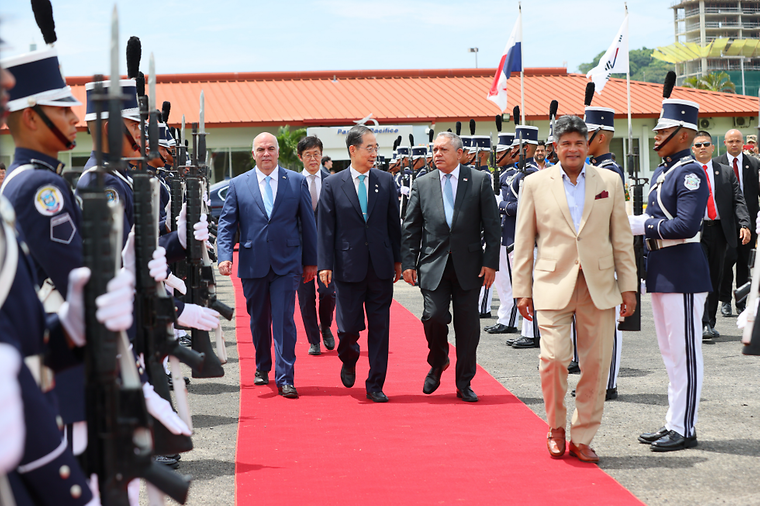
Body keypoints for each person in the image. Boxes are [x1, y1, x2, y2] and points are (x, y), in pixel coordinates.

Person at [513, 115, 637, 463]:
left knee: (597, 365)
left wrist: (629, 287)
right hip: (553, 283)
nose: (572, 149)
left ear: (588, 146)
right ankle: (555, 425)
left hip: (598, 285)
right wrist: (521, 289)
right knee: (553, 359)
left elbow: (622, 240)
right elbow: (523, 242)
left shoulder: (609, 182)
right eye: (565, 143)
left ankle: (583, 435)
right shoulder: (535, 184)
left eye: (578, 143)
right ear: (554, 147)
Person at [631, 98, 711, 452]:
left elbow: (686, 224)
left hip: (683, 269)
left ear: (683, 134)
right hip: (663, 267)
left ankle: (685, 427)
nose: (656, 135)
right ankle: (674, 421)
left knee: (685, 353)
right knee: (669, 351)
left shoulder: (690, 172)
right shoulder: (663, 171)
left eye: (663, 130)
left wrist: (639, 224)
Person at [217, 132, 318, 399]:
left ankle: (286, 377)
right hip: (253, 263)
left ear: (277, 153)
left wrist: (311, 262)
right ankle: (263, 366)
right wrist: (224, 255)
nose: (266, 153)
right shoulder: (238, 184)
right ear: (253, 154)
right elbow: (227, 225)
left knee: (284, 320)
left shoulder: (295, 182)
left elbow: (308, 225)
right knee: (259, 320)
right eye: (260, 149)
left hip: (287, 264)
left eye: (270, 148)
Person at [401, 132, 500, 402]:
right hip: (433, 264)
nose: (437, 154)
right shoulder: (423, 184)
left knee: (468, 328)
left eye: (443, 149)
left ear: (460, 153)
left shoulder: (479, 181)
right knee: (433, 317)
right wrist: (408, 262)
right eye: (435, 149)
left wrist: (491, 262)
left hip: (470, 267)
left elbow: (492, 226)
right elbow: (411, 228)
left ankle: (464, 382)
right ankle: (438, 359)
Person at [317, 125, 402, 403]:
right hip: (347, 266)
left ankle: (375, 383)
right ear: (352, 150)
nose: (374, 153)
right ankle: (349, 356)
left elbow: (393, 225)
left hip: (380, 266)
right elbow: (326, 228)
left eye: (376, 147)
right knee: (348, 328)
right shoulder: (332, 183)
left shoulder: (386, 181)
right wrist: (324, 264)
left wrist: (399, 260)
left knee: (381, 327)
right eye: (369, 147)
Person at [582, 105, 626, 399]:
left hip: (606, 255)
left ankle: (607, 382)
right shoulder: (591, 170)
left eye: (585, 135)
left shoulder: (610, 172)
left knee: (608, 321)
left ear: (599, 136)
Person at [691, 131, 750, 339]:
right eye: (698, 145)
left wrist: (744, 224)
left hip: (719, 230)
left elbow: (738, 199)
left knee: (715, 277)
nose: (703, 148)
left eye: (706, 144)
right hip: (695, 232)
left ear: (713, 147)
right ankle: (702, 322)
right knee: (701, 276)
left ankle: (710, 322)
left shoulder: (725, 172)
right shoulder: (686, 172)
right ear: (693, 149)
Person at [295, 136, 336, 356]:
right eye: (308, 155)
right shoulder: (292, 182)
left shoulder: (332, 181)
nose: (313, 159)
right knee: (305, 298)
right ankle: (313, 339)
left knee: (328, 293)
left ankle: (326, 326)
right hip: (300, 250)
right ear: (301, 157)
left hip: (327, 250)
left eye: (317, 154)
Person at [502, 125, 542, 349]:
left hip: (529, 239)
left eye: (516, 147)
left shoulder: (532, 174)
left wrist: (502, 205)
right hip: (516, 237)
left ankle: (533, 333)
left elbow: (527, 207)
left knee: (532, 286)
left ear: (525, 147)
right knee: (523, 286)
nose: (513, 151)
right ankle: (529, 331)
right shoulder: (519, 173)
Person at [716, 129, 759, 317]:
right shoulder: (717, 164)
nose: (734, 144)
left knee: (744, 261)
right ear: (724, 143)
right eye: (731, 141)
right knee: (727, 260)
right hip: (725, 221)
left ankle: (741, 302)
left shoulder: (754, 164)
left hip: (748, 220)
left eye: (737, 141)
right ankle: (725, 299)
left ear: (743, 143)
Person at [485, 132, 520, 335]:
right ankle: (504, 318)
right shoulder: (499, 176)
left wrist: (500, 204)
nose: (496, 157)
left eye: (501, 152)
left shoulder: (514, 177)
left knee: (511, 281)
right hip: (499, 234)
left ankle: (510, 320)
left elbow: (520, 206)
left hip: (510, 234)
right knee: (501, 281)